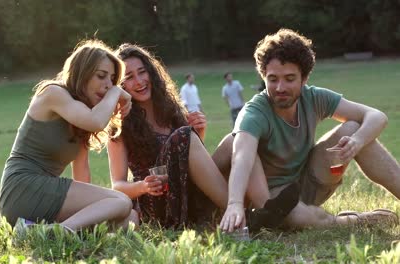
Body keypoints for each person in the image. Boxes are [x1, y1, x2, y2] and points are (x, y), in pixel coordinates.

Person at [218, 28, 399, 232]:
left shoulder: (313, 97)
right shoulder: (254, 113)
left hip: (309, 181)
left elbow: (377, 117)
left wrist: (358, 140)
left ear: (304, 79)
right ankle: (358, 220)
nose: (280, 87)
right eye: (273, 79)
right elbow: (242, 157)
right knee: (299, 218)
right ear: (264, 77)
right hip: (276, 199)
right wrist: (234, 204)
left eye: (289, 78)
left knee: (352, 128)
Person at [0, 39, 138, 232]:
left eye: (112, 79)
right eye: (101, 76)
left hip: (46, 195)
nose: (108, 85)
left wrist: (87, 212)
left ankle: (34, 230)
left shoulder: (81, 114)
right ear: (83, 73)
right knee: (121, 201)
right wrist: (116, 92)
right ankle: (58, 233)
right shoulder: (53, 93)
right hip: (23, 188)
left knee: (129, 219)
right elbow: (97, 121)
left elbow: (81, 173)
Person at [107, 44, 228, 228]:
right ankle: (237, 212)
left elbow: (189, 162)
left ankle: (249, 206)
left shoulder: (171, 111)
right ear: (120, 86)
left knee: (231, 143)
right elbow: (117, 185)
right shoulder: (120, 125)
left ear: (152, 73)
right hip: (157, 205)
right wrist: (143, 186)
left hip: (186, 191)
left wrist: (198, 133)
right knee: (183, 135)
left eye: (142, 72)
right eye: (129, 77)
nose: (139, 81)